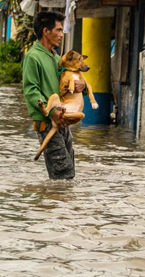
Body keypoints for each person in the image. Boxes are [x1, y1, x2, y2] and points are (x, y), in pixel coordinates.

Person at [21, 11, 85, 180]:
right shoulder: (33, 57)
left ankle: (57, 203)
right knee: (62, 174)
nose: (61, 34)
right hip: (47, 122)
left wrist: (81, 85)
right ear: (45, 31)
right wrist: (51, 112)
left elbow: (66, 85)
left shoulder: (57, 58)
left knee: (68, 175)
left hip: (63, 121)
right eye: (57, 30)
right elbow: (30, 90)